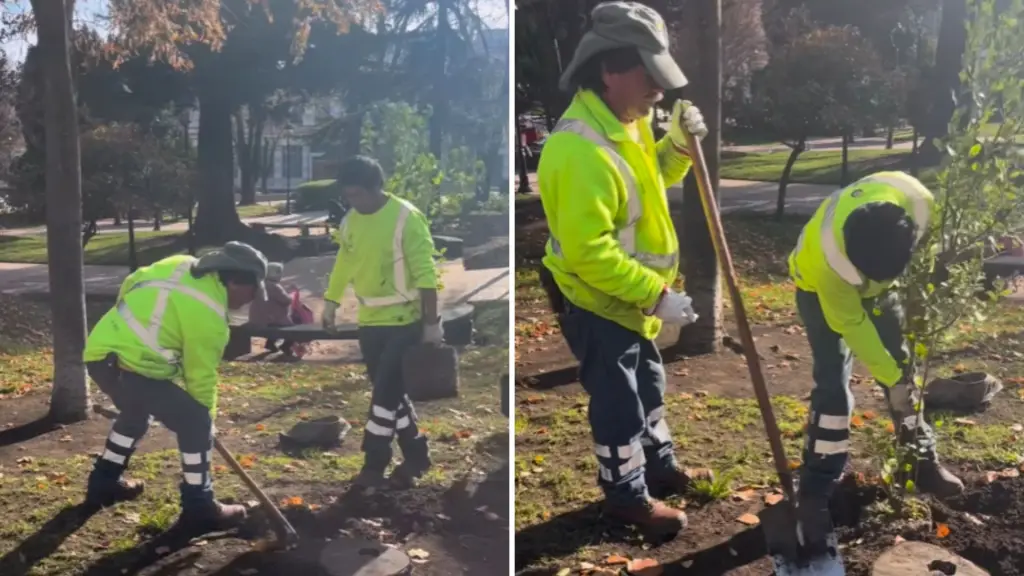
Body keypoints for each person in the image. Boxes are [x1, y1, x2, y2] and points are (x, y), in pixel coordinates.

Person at [537, 0, 715, 538]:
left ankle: (658, 467)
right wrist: (656, 294)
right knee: (618, 403)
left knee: (650, 384)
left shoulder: (623, 123)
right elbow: (589, 251)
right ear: (611, 70)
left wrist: (679, 146)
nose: (659, 91)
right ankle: (624, 495)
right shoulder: (577, 150)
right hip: (595, 302)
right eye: (649, 77)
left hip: (630, 301)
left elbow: (650, 180)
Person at [789, 171, 965, 544]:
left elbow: (930, 257)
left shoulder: (917, 201)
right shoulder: (829, 264)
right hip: (818, 294)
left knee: (905, 365)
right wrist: (892, 380)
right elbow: (854, 327)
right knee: (834, 385)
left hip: (884, 288)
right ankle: (820, 482)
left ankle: (921, 462)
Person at [82, 242, 269, 533]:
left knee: (134, 416)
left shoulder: (179, 263)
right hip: (131, 368)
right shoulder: (209, 314)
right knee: (194, 421)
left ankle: (104, 483)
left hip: (102, 355)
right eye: (253, 290)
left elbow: (132, 282)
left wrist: (132, 330)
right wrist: (206, 421)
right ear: (234, 281)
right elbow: (200, 375)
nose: (252, 298)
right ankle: (200, 506)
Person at [321, 155, 442, 490]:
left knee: (384, 396)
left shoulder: (407, 218)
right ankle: (417, 455)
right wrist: (331, 301)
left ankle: (374, 463)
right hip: (370, 322)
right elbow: (344, 261)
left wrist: (432, 324)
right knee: (390, 393)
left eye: (358, 195)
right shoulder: (350, 222)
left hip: (407, 321)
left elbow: (426, 274)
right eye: (349, 196)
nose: (353, 202)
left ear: (376, 188)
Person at [249, 262, 296, 355]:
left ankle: (270, 343)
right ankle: (285, 346)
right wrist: (292, 294)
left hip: (257, 319)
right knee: (294, 330)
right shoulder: (274, 286)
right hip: (272, 320)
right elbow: (286, 300)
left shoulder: (260, 285)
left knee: (275, 325)